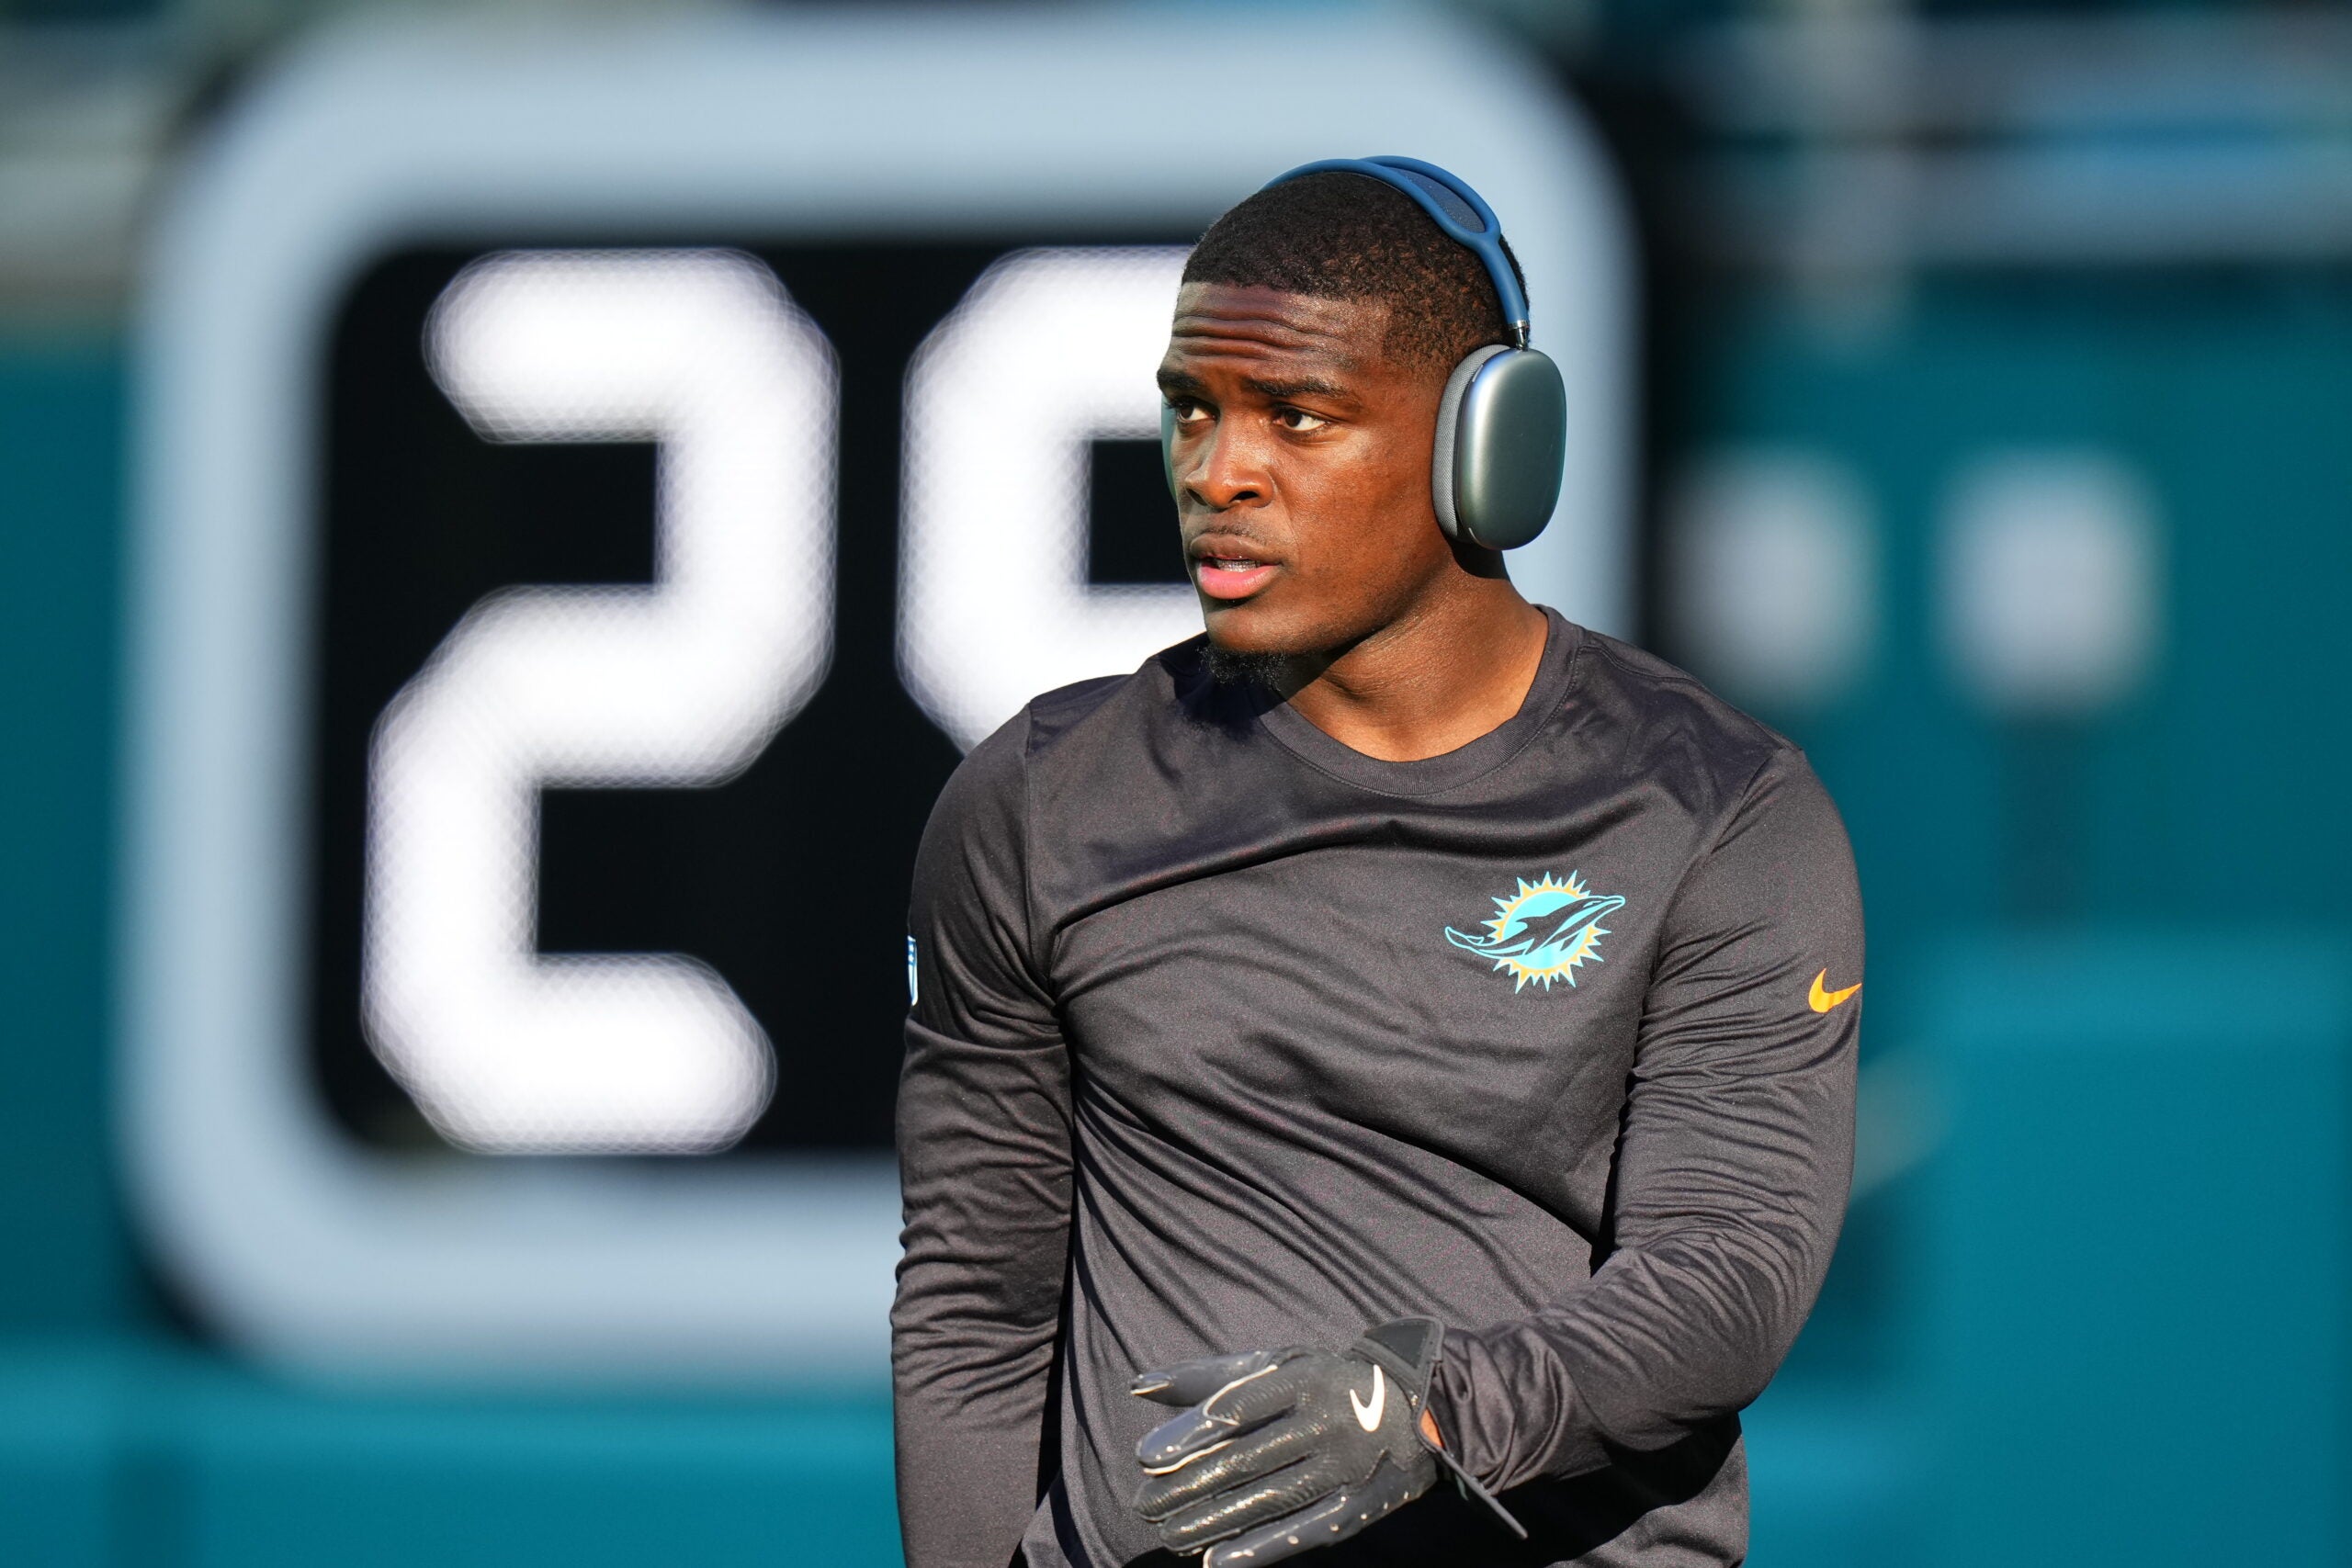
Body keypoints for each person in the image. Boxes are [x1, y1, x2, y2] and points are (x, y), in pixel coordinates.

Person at [892, 161, 1861, 1568]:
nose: (1219, 472)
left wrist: (1428, 1412)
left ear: (1489, 443)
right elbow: (977, 1309)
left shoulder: (1721, 813)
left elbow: (1724, 1279)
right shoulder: (1038, 804)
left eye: (1299, 416)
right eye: (1192, 412)